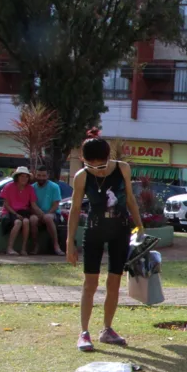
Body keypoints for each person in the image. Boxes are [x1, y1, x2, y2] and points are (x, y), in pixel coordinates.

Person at [66, 129, 144, 352]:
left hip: (119, 229)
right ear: (84, 161)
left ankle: (107, 329)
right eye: (93, 167)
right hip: (94, 229)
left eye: (102, 166)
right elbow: (75, 209)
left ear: (109, 158)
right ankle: (84, 332)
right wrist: (70, 241)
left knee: (114, 282)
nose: (98, 172)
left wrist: (139, 228)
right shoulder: (81, 176)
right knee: (90, 283)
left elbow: (130, 199)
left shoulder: (122, 168)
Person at [0, 167, 39, 256]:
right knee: (18, 222)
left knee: (26, 221)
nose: (24, 179)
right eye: (22, 176)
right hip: (9, 212)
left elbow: (33, 204)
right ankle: (9, 248)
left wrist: (42, 214)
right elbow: (6, 204)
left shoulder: (30, 188)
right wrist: (15, 214)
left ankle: (23, 249)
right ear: (17, 177)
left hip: (23, 212)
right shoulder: (9, 186)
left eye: (26, 177)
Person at [32, 166, 65, 256]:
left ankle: (56, 245)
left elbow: (56, 204)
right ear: (36, 175)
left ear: (47, 176)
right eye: (39, 175)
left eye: (43, 175)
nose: (41, 178)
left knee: (48, 218)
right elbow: (32, 204)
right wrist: (40, 213)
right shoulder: (32, 187)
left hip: (52, 213)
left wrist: (47, 213)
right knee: (33, 219)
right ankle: (35, 245)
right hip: (37, 213)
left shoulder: (54, 187)